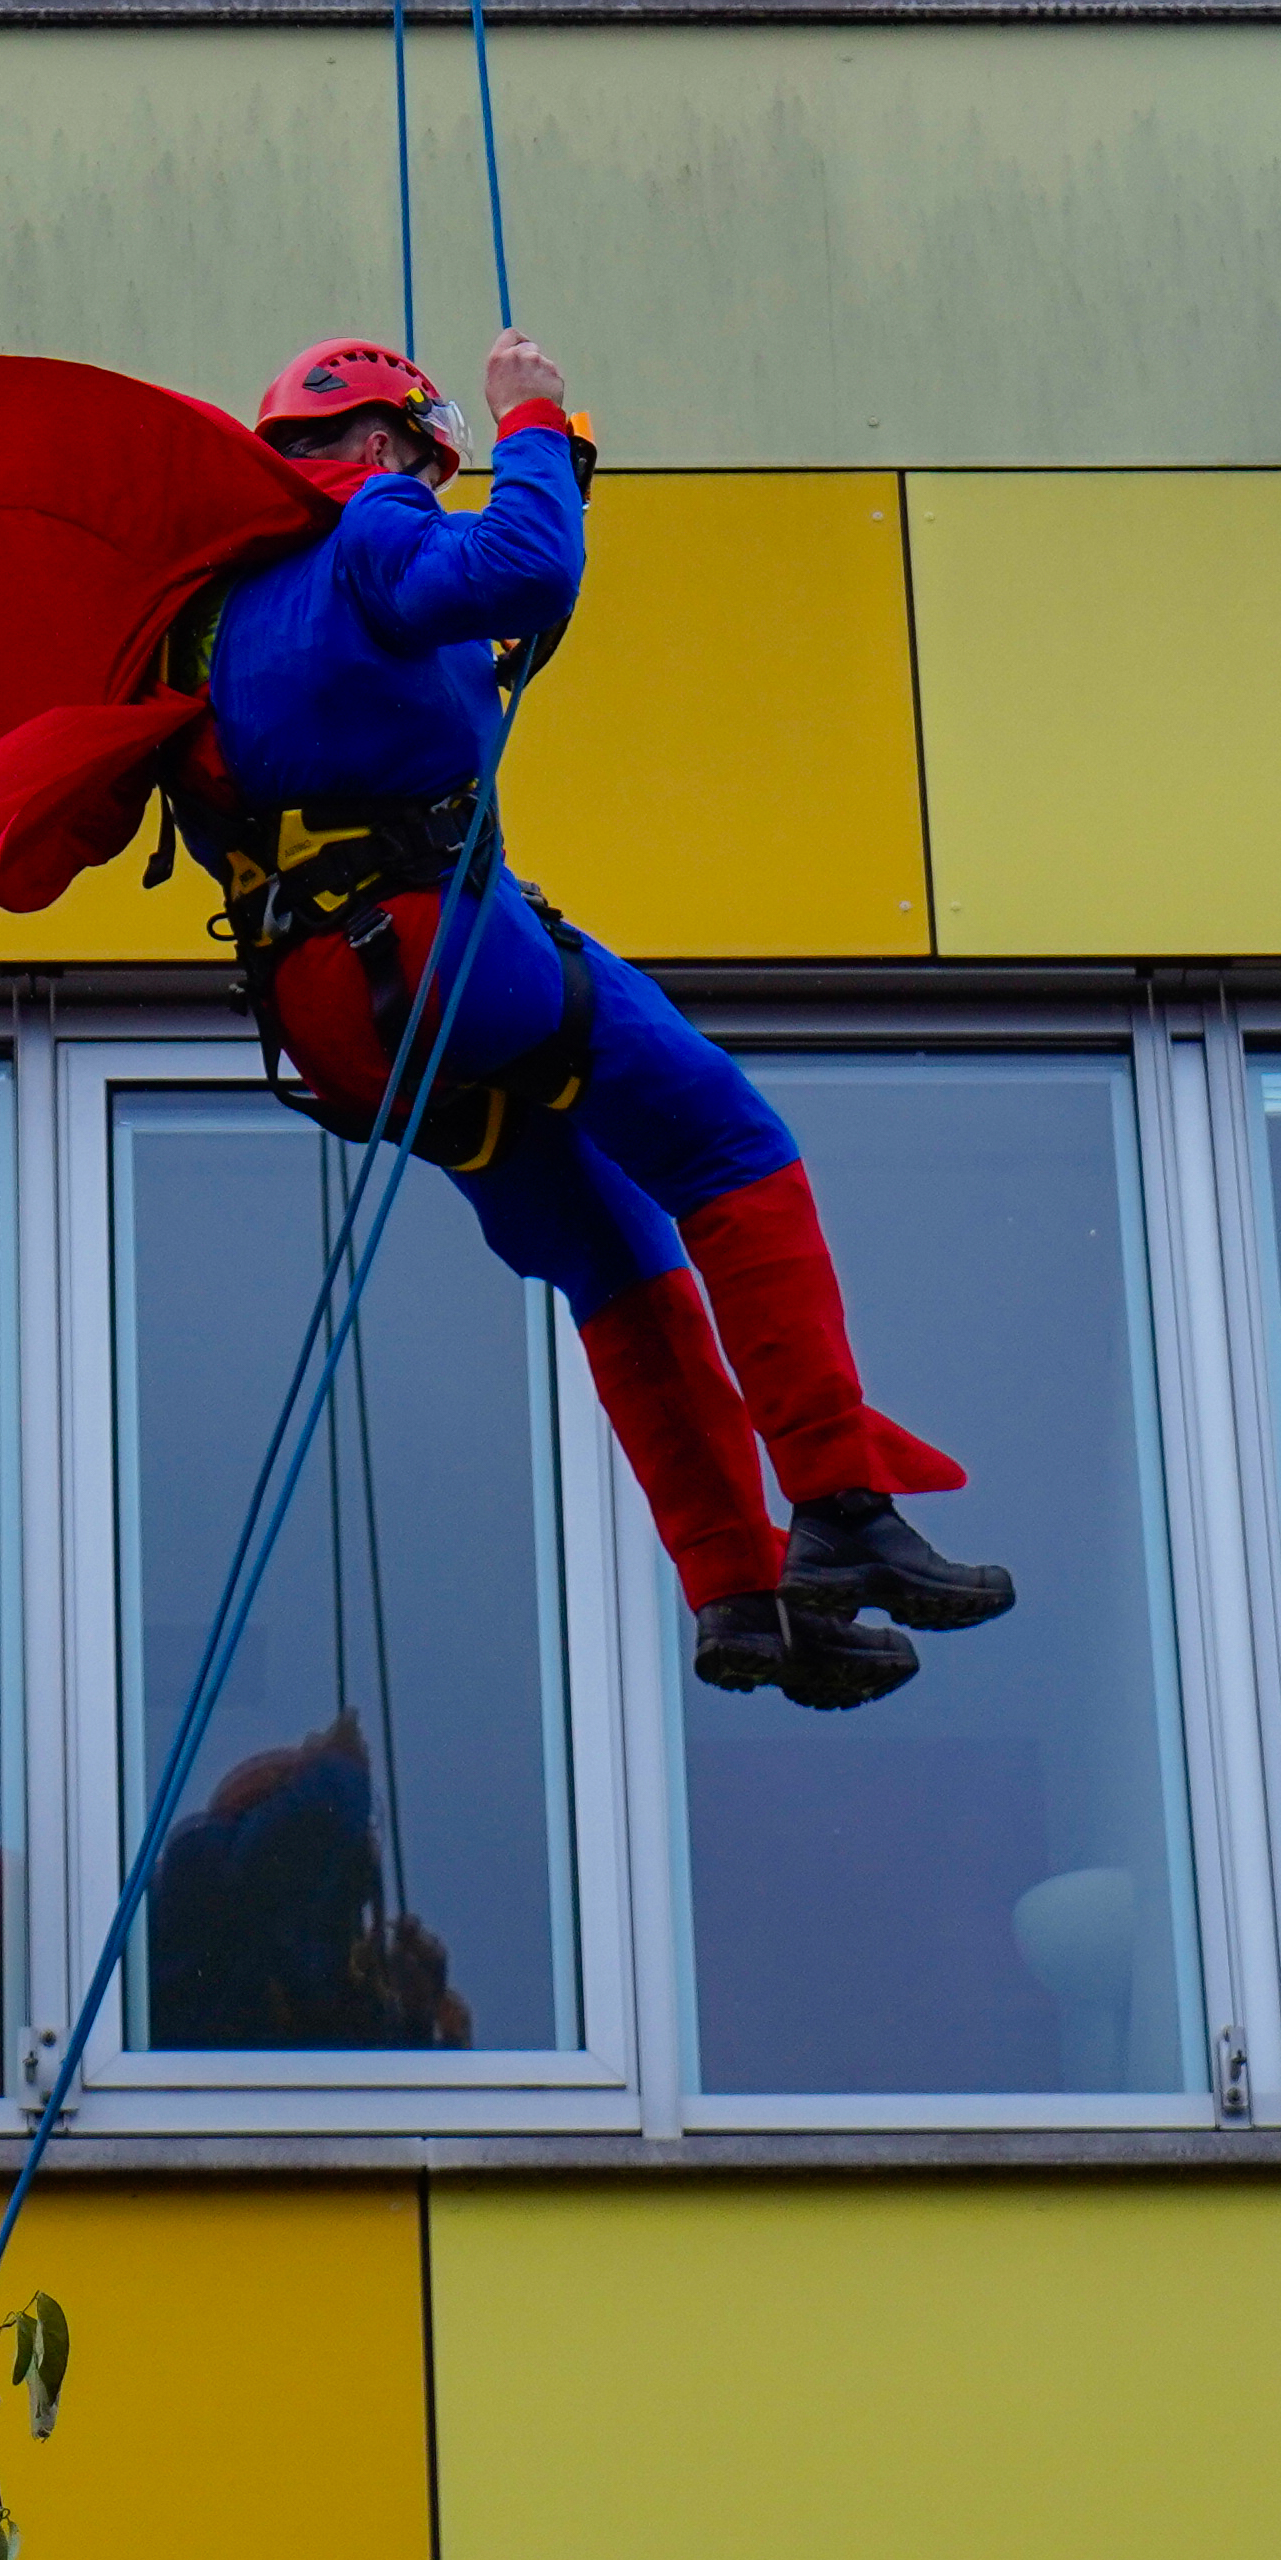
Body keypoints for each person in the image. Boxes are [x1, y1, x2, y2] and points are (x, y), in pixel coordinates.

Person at [176, 328, 1013, 1714]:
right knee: (727, 1146)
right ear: (389, 447)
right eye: (425, 465)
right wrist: (533, 426)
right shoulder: (371, 515)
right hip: (442, 950)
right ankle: (839, 1502)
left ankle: (739, 1588)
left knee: (615, 1254)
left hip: (335, 1018)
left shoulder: (217, 616)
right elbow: (520, 570)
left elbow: (468, 644)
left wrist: (548, 488)